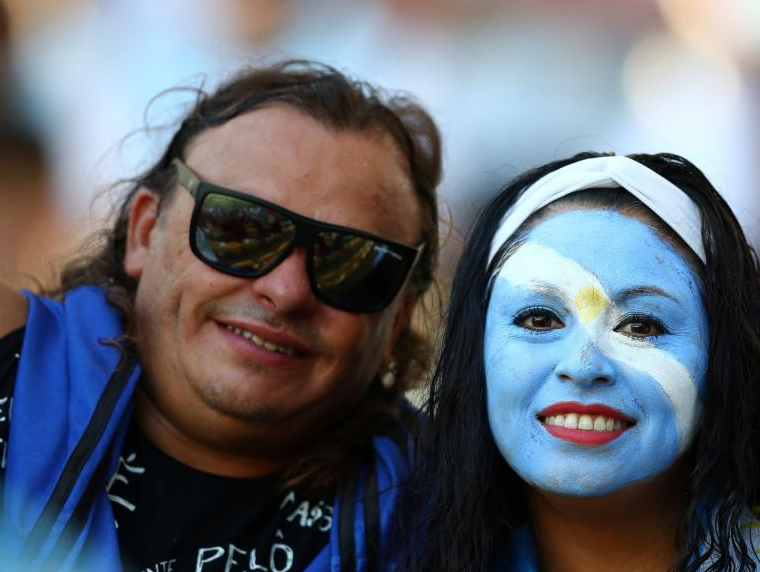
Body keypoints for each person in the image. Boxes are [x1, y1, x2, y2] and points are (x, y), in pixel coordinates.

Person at [0, 60, 442, 570]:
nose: (286, 290)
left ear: (398, 318)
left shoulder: (450, 511)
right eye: (240, 229)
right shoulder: (10, 356)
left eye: (352, 264)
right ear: (146, 230)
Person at [399, 152, 760, 571]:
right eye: (540, 320)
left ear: (721, 365)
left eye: (642, 326)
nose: (584, 365)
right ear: (475, 351)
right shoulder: (382, 550)